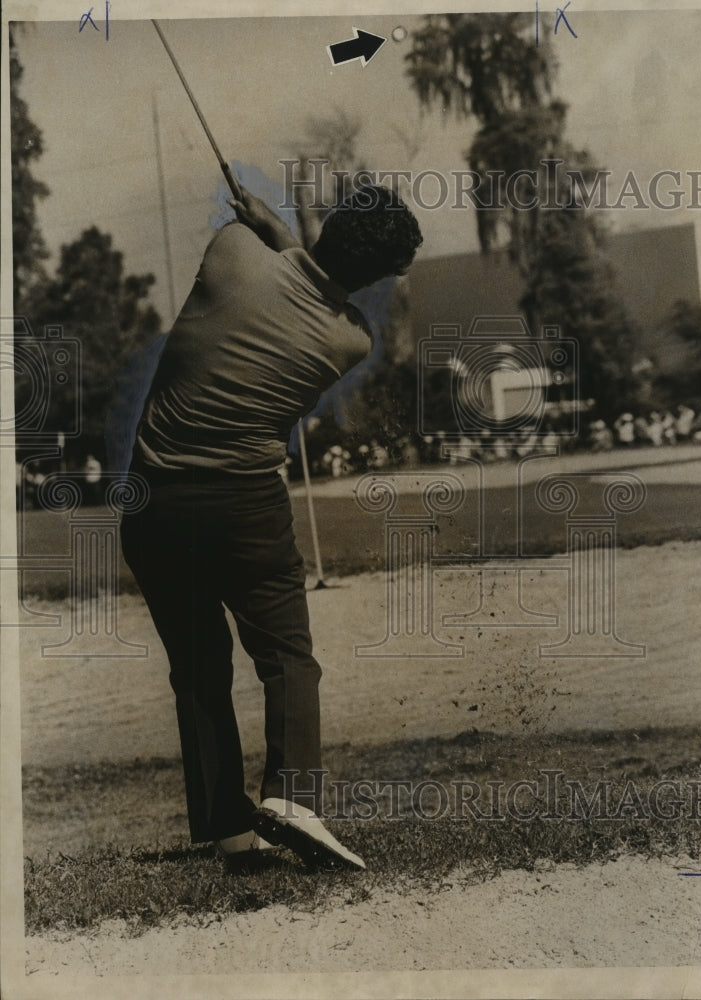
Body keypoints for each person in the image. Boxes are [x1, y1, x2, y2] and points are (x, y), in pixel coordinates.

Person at [120, 183, 422, 870]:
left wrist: (270, 227)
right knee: (286, 657)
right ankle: (291, 796)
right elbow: (319, 286)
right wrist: (284, 233)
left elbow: (288, 265)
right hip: (244, 507)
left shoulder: (231, 250)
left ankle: (228, 832)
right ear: (374, 278)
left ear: (328, 226)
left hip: (151, 502)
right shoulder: (351, 339)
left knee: (198, 670)